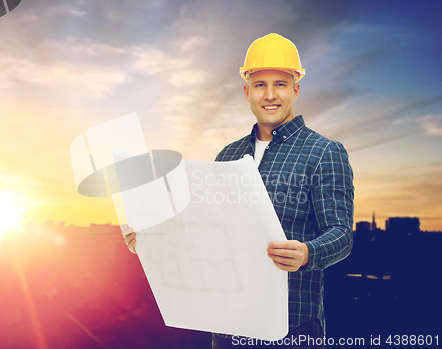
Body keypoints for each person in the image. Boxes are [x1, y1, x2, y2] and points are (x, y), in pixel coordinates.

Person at [123, 33, 354, 348]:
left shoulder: (324, 152)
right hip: (229, 326)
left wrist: (307, 253)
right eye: (260, 85)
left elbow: (341, 233)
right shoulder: (228, 155)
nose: (270, 95)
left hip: (292, 327)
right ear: (247, 91)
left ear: (296, 89)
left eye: (280, 84)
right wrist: (150, 241)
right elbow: (206, 234)